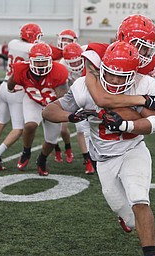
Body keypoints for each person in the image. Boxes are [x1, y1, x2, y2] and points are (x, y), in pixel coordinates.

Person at [42, 41, 155, 256]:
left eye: (122, 76)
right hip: (104, 158)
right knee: (130, 220)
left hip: (132, 150)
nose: (115, 80)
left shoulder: (142, 84)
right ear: (102, 68)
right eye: (110, 74)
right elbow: (49, 111)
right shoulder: (84, 86)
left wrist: (126, 125)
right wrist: (72, 116)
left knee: (139, 200)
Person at [7, 42, 68, 175]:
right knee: (30, 125)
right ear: (30, 61)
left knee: (51, 140)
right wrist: (12, 87)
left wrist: (58, 111)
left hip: (52, 104)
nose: (40, 65)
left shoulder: (59, 71)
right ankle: (26, 151)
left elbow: (62, 97)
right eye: (37, 62)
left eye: (44, 61)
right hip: (33, 100)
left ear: (50, 60)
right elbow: (10, 85)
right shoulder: (21, 69)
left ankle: (41, 160)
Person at [0, 23, 43, 171]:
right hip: (17, 89)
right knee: (18, 128)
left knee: (1, 122)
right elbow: (35, 50)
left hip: (5, 86)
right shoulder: (30, 48)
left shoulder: (13, 43)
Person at [60, 42, 95, 174]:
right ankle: (87, 160)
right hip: (77, 93)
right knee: (81, 128)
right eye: (71, 63)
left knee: (99, 124)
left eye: (77, 61)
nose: (75, 65)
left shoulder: (90, 56)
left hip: (95, 91)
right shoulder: (62, 65)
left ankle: (99, 154)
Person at [50, 29, 78, 164]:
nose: (66, 43)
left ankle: (68, 148)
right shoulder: (52, 53)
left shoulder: (75, 53)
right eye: (64, 40)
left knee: (63, 128)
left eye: (69, 41)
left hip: (67, 92)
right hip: (49, 91)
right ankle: (56, 149)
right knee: (51, 128)